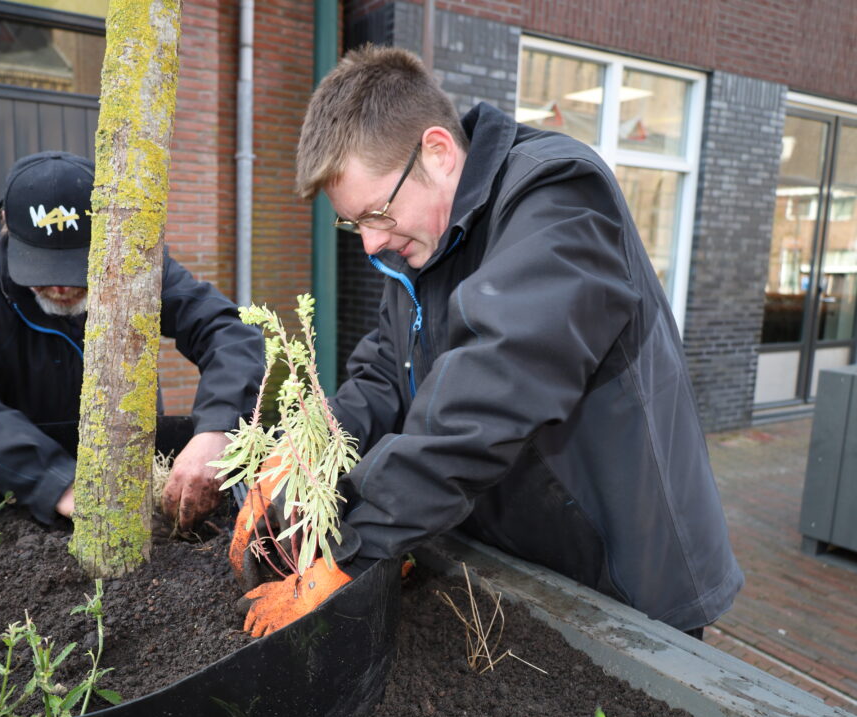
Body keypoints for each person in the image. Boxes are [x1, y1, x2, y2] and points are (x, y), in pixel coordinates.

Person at [241, 46, 743, 638]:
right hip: (520, 565)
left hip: (622, 580)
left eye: (376, 213)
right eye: (354, 223)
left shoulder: (559, 197)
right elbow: (384, 373)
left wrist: (354, 546)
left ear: (438, 151)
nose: (370, 245)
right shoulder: (419, 245)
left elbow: (492, 388)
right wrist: (307, 459)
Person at [0, 151, 264, 530]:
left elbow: (226, 328)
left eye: (79, 266)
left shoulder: (135, 261)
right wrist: (54, 481)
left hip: (131, 466)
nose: (62, 286)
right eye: (42, 267)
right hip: (22, 492)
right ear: (7, 225)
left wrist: (217, 428)